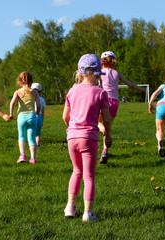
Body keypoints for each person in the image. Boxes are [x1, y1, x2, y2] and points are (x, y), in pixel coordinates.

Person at [63, 54, 112, 222]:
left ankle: (70, 207)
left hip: (72, 137)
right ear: (98, 74)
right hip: (89, 138)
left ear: (80, 73)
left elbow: (65, 117)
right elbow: (106, 118)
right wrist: (108, 133)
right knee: (89, 176)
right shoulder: (100, 93)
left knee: (76, 171)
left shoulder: (72, 90)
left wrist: (73, 129)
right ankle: (88, 213)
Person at [98, 51, 146, 164]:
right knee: (109, 127)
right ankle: (105, 150)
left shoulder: (100, 73)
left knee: (98, 122)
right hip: (114, 103)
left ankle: (103, 130)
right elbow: (130, 85)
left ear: (102, 62)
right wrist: (142, 90)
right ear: (113, 62)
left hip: (103, 100)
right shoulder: (116, 73)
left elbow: (96, 85)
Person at [9, 72, 41, 164]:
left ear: (20, 81)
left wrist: (11, 114)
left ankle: (22, 155)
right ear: (31, 81)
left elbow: (12, 103)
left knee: (22, 136)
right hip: (32, 116)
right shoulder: (35, 92)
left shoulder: (18, 92)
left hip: (21, 116)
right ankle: (33, 158)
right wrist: (37, 113)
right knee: (31, 138)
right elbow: (38, 105)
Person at [31, 83, 46, 148]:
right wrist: (42, 121)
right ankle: (38, 146)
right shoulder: (42, 99)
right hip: (39, 116)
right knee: (38, 134)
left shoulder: (30, 99)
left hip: (31, 116)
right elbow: (42, 111)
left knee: (31, 133)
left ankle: (32, 146)